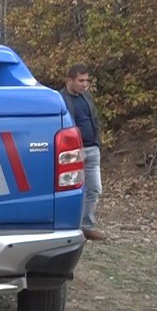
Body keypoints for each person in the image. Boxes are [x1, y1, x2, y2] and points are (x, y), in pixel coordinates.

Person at [60, 64, 106, 241]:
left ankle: (87, 226)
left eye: (86, 80)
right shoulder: (60, 99)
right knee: (70, 189)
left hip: (91, 148)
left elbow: (94, 119)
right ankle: (68, 225)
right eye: (81, 80)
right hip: (72, 152)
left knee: (94, 188)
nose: (84, 84)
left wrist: (97, 141)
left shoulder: (87, 97)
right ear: (69, 80)